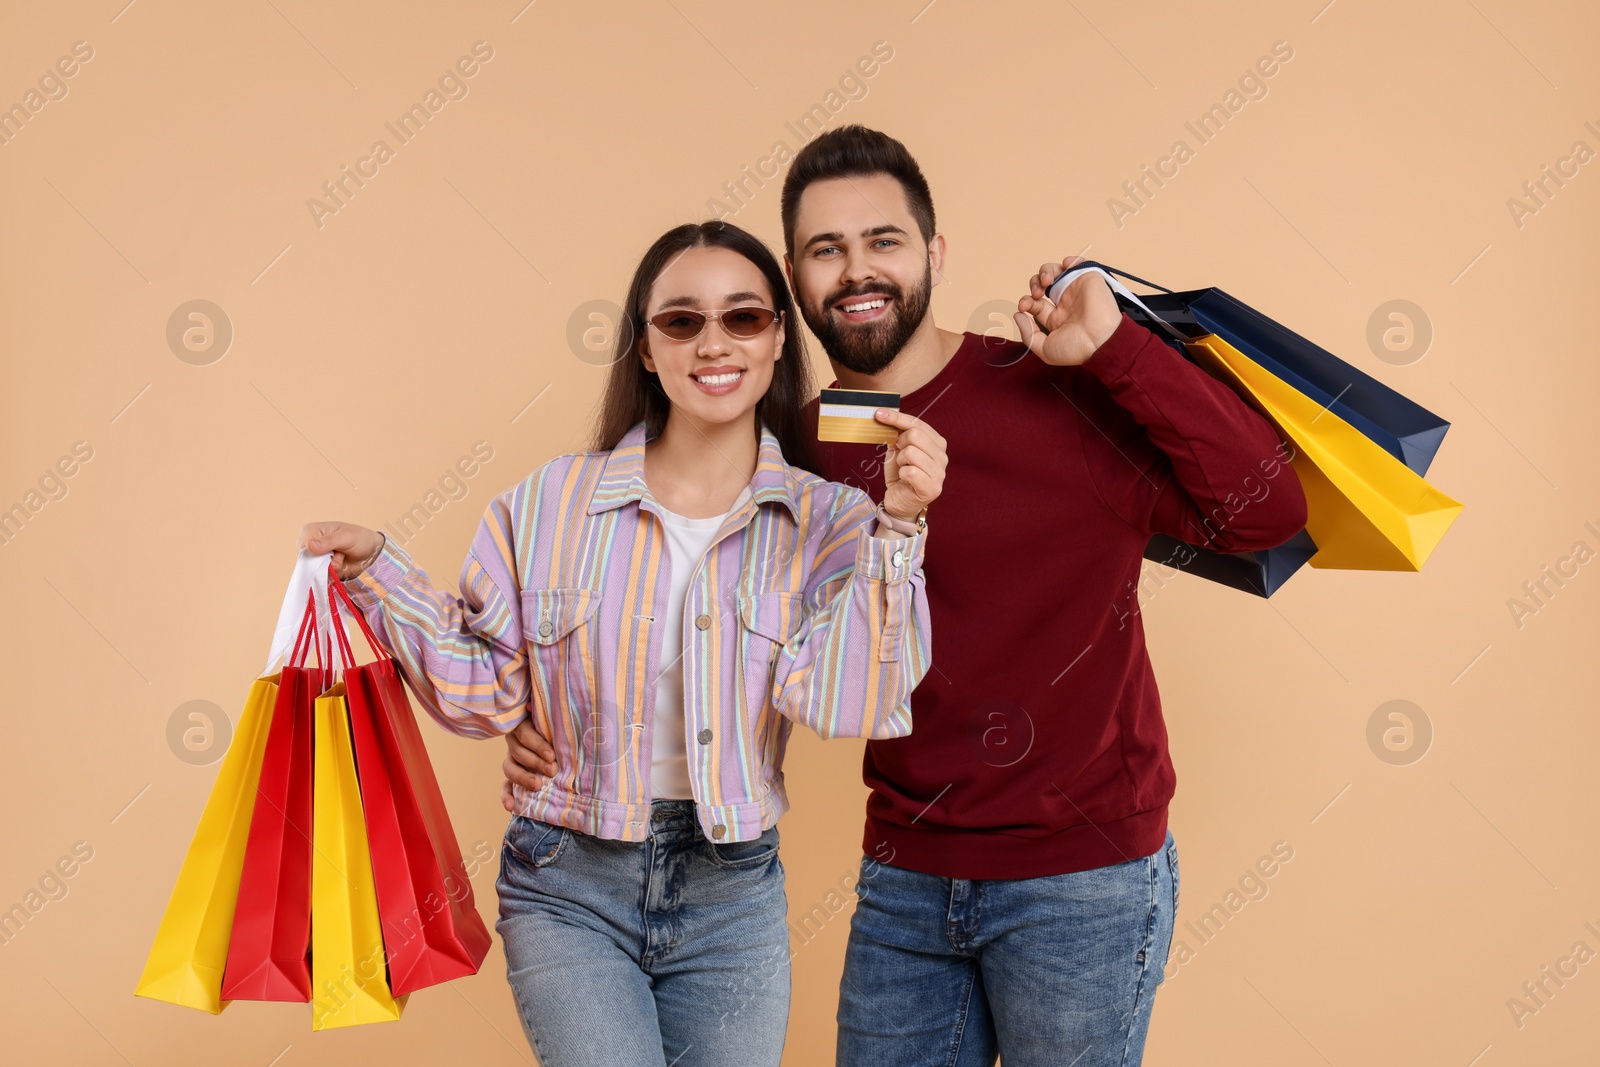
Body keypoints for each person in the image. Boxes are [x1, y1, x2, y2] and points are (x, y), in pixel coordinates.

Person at [503, 126, 1309, 1066]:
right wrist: (553, 721)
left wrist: (1118, 347)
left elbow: (1267, 509)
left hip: (1083, 877)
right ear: (796, 284)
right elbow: (694, 610)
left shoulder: (1058, 391)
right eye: (825, 250)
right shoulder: (790, 457)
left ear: (932, 252)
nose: (856, 271)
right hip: (904, 880)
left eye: (881, 240)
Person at [299, 218, 948, 1067]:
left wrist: (899, 527)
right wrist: (378, 571)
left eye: (743, 317)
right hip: (568, 877)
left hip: (733, 892)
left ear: (777, 336)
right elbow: (483, 690)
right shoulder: (547, 503)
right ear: (646, 348)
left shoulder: (830, 523)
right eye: (681, 320)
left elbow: (848, 700)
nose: (713, 342)